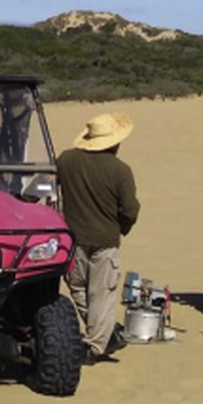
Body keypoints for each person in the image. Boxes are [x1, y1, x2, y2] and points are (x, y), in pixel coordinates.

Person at [57, 113, 141, 363]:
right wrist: (120, 228)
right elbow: (130, 210)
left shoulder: (66, 159)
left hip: (74, 237)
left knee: (79, 289)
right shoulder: (121, 170)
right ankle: (96, 345)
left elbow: (47, 185)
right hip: (105, 239)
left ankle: (103, 335)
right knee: (101, 294)